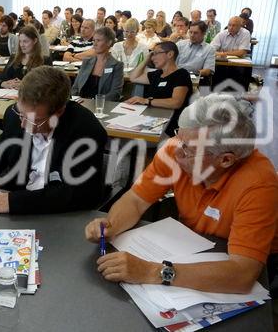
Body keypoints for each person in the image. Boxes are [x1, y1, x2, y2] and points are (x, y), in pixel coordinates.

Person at [85, 93, 278, 294]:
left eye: (188, 149)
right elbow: (135, 200)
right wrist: (112, 226)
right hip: (190, 246)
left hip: (246, 259)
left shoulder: (259, 184)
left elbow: (242, 274)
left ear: (226, 160)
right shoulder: (175, 150)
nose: (177, 152)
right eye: (179, 136)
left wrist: (152, 272)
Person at [0, 66, 108, 214]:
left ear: (59, 111)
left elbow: (76, 193)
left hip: (61, 213)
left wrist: (12, 202)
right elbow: (0, 149)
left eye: (35, 121)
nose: (24, 125)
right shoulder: (14, 115)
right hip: (17, 203)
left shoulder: (86, 130)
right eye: (22, 114)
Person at [127, 41, 192, 136]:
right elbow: (133, 78)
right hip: (151, 118)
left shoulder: (181, 74)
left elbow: (176, 102)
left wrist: (146, 101)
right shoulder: (157, 74)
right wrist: (146, 59)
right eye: (152, 54)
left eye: (156, 53)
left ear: (170, 54)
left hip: (168, 124)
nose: (153, 58)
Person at [72, 27, 124, 101]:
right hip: (81, 103)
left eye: (98, 40)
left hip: (102, 106)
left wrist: (97, 103)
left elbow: (115, 93)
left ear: (109, 42)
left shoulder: (116, 65)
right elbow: (75, 87)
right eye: (94, 40)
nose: (94, 44)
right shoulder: (86, 62)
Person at [0, 25, 50, 89]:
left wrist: (25, 85)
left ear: (35, 41)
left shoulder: (45, 61)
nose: (22, 45)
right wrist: (4, 84)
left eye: (25, 41)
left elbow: (47, 85)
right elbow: (0, 78)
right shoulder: (14, 58)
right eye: (20, 41)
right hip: (10, 95)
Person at [211, 17, 251, 90]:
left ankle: (239, 94)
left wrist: (223, 53)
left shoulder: (245, 33)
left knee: (244, 70)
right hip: (222, 62)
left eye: (234, 25)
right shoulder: (222, 34)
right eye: (229, 25)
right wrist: (219, 53)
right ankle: (216, 93)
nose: (231, 27)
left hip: (238, 63)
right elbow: (211, 49)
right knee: (216, 71)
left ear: (240, 26)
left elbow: (242, 52)